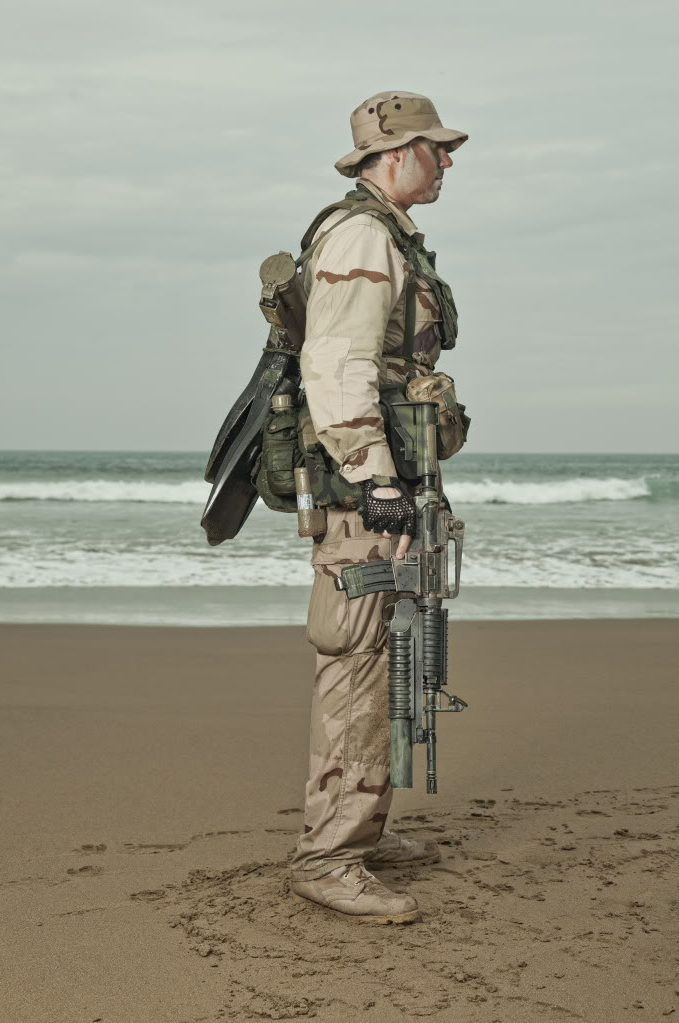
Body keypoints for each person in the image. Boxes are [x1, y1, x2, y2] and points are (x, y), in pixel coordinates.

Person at [289, 91, 468, 923]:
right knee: (360, 668)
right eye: (437, 149)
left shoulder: (388, 233)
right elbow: (335, 366)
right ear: (395, 152)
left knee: (393, 665)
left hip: (389, 484)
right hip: (369, 497)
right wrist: (378, 481)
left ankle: (361, 830)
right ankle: (330, 857)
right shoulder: (362, 236)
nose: (448, 162)